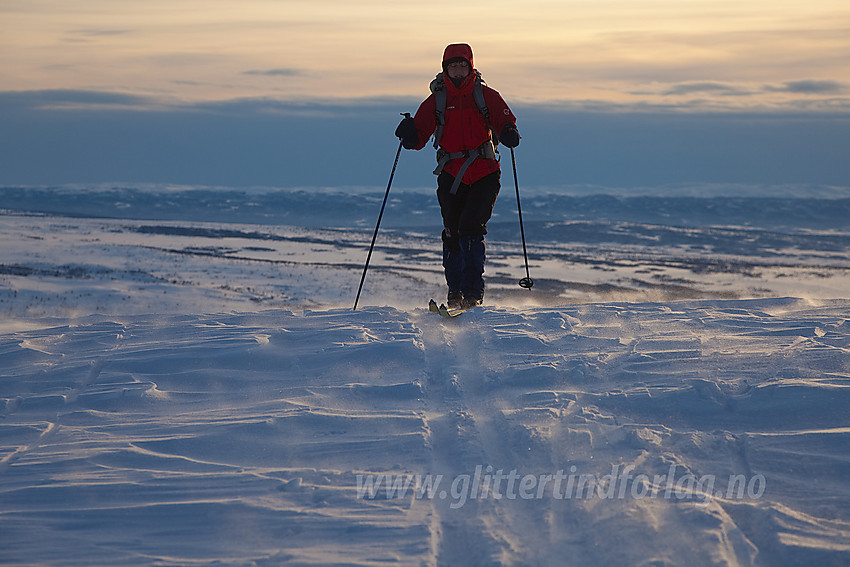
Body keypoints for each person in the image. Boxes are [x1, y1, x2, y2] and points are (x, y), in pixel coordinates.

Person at [395, 43, 520, 310]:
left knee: (471, 228)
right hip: (451, 173)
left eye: (463, 65)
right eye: (453, 66)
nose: (458, 70)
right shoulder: (437, 100)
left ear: (471, 66)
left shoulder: (486, 96)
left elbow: (505, 121)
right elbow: (419, 135)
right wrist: (409, 134)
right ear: (445, 69)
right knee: (452, 232)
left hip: (485, 172)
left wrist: (509, 131)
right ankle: (455, 293)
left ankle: (472, 293)